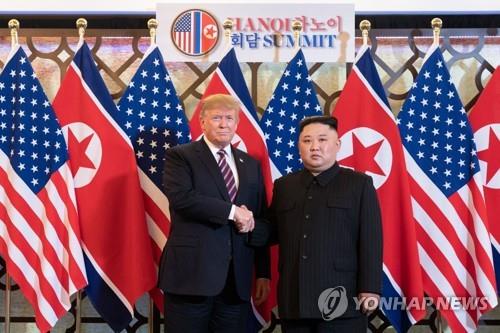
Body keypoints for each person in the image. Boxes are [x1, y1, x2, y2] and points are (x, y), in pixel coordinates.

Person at [158, 94, 270, 333]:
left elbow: (258, 219)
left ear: (237, 123)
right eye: (216, 117)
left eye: (229, 118)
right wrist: (232, 212)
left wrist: (263, 273)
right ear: (202, 122)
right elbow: (182, 199)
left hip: (236, 283)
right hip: (191, 278)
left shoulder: (250, 164)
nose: (223, 124)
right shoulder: (181, 156)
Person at [268, 115, 382, 333]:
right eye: (307, 140)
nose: (315, 147)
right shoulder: (284, 186)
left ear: (337, 145)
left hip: (342, 299)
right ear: (298, 146)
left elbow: (371, 238)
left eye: (322, 140)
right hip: (295, 299)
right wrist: (239, 217)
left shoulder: (359, 184)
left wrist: (370, 288)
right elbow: (271, 231)